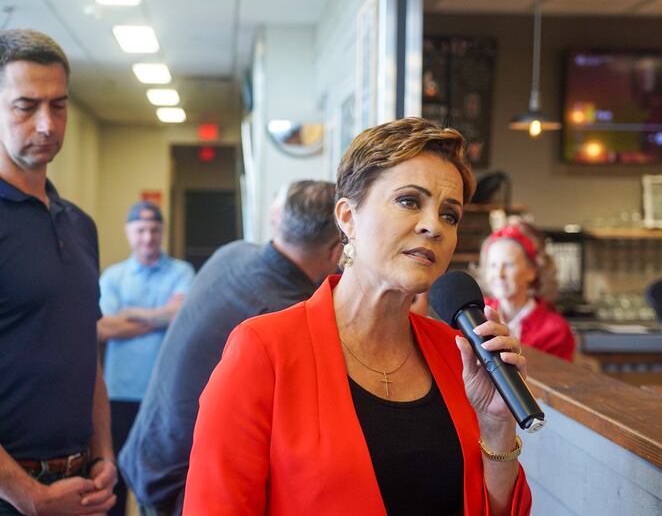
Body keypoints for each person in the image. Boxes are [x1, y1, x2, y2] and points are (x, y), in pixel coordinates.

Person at [183, 117, 533, 514]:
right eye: (409, 201)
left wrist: (496, 425)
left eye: (449, 215)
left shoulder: (458, 355)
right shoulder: (264, 350)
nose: (433, 226)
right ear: (348, 217)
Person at [118, 180, 342, 515]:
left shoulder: (233, 252)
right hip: (182, 483)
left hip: (149, 449)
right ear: (335, 252)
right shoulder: (287, 312)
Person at [0, 29, 116, 515]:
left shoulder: (80, 224)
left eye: (59, 105)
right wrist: (28, 497)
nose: (47, 124)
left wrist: (104, 451)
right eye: (25, 106)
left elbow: (83, 350)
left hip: (80, 487)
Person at [97, 201, 194, 515]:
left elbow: (181, 315)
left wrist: (132, 313)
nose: (148, 237)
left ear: (162, 232)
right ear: (129, 232)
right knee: (115, 474)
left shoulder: (181, 271)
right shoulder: (114, 277)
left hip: (164, 393)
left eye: (154, 230)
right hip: (120, 393)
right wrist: (160, 317)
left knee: (159, 478)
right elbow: (103, 328)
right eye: (141, 230)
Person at [480, 221, 576, 361]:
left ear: (531, 271)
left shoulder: (555, 330)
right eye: (493, 265)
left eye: (508, 265)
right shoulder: (476, 315)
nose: (499, 274)